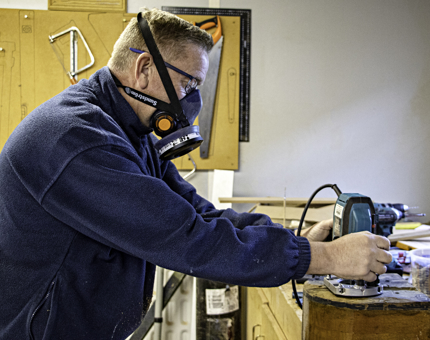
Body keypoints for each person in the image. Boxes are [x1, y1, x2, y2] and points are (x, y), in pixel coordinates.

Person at [0, 8, 392, 340]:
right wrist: (323, 258)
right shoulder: (78, 141)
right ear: (144, 68)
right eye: (187, 83)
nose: (193, 101)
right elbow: (190, 239)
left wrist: (293, 241)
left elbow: (200, 214)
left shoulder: (127, 132)